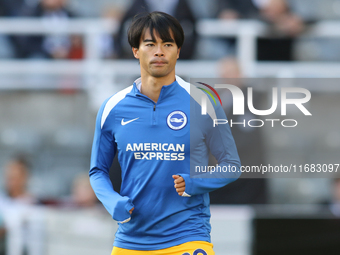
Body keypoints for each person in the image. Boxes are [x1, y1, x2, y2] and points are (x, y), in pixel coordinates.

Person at [89, 11, 241, 254]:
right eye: (150, 44)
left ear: (178, 51)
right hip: (131, 240)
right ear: (135, 51)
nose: (159, 51)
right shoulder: (112, 107)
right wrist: (112, 201)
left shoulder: (203, 102)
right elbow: (97, 171)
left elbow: (231, 164)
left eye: (167, 44)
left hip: (188, 237)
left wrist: (195, 182)